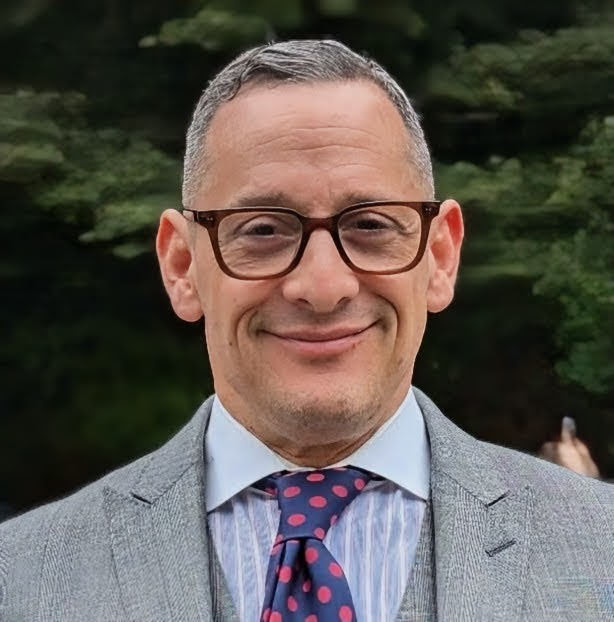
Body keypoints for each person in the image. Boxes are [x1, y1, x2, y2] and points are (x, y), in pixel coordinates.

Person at [1, 39, 613, 622]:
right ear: (182, 266)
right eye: (263, 230)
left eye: (370, 225)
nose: (323, 286)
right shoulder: (19, 580)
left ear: (440, 256)